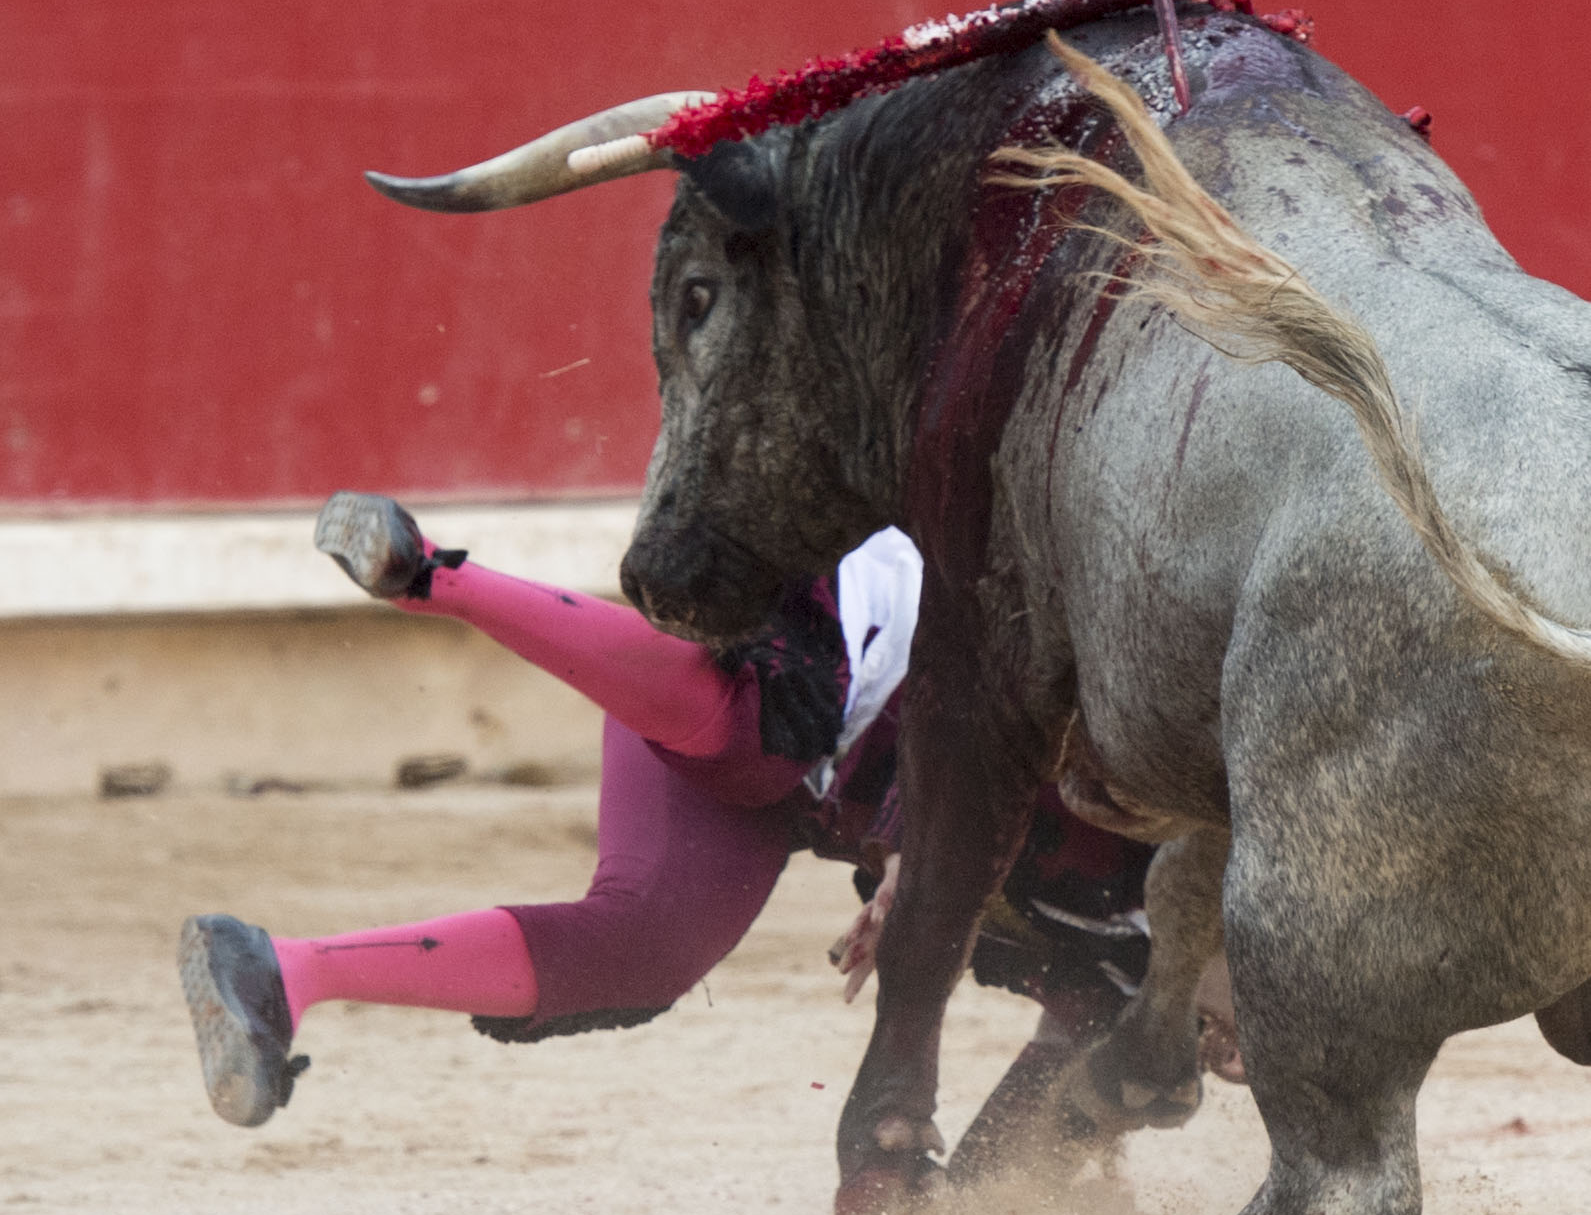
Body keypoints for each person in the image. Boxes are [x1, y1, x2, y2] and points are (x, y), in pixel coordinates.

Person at [178, 491, 1164, 1162]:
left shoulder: (1129, 954)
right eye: (1252, 1017)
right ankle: (428, 571)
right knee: (756, 730)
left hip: (817, 783)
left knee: (644, 944)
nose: (1237, 1052)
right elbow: (1023, 667)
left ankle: (283, 970)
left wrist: (1002, 1213)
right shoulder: (1170, 782)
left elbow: (1080, 1054)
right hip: (853, 638)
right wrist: (922, 839)